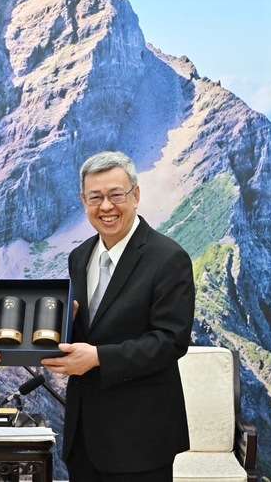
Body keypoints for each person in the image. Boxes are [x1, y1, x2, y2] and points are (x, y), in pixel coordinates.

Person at [42, 151, 195, 481]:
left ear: (136, 195)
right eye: (95, 197)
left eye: (116, 195)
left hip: (141, 437)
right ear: (83, 201)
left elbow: (171, 341)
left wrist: (98, 358)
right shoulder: (79, 256)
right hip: (84, 436)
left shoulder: (169, 258)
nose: (106, 207)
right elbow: (89, 328)